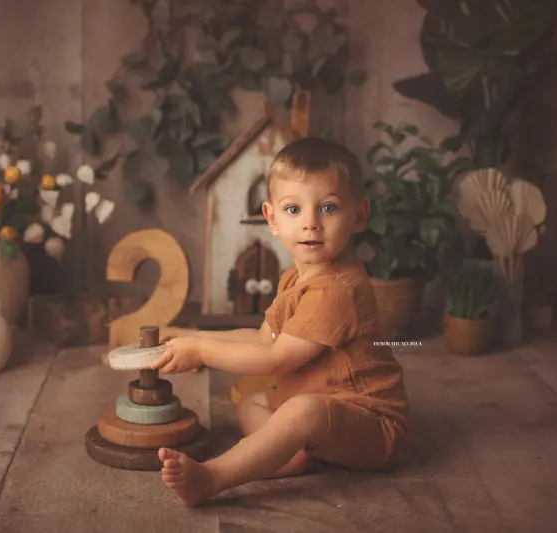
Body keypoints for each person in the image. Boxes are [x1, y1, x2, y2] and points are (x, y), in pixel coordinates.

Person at [150, 137, 410, 507]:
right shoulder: (294, 278)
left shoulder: (337, 290)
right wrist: (193, 335)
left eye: (329, 208)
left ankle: (213, 477)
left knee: (303, 411)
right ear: (271, 218)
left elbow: (277, 360)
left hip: (372, 425)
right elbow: (263, 340)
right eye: (293, 210)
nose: (310, 224)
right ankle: (290, 454)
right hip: (322, 405)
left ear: (359, 214)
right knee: (249, 402)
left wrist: (204, 351)